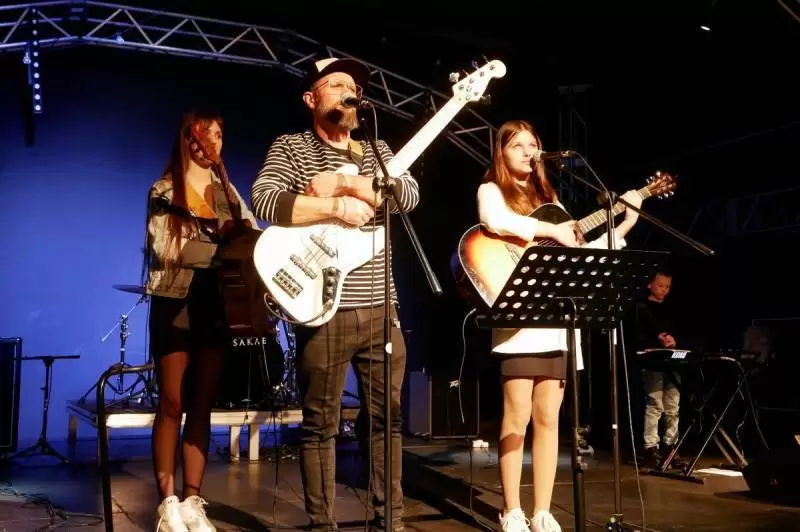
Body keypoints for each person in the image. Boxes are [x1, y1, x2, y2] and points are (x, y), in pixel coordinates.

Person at [250, 57, 420, 532]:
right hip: (324, 306)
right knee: (320, 424)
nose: (350, 91)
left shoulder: (378, 151)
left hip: (381, 305)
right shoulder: (292, 147)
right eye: (337, 83)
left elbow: (408, 196)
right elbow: (265, 200)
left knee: (387, 420)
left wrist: (348, 182)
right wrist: (336, 207)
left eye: (354, 86)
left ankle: (391, 522)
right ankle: (322, 525)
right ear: (311, 98)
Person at [476, 120, 642, 532]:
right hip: (520, 324)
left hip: (555, 323)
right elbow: (493, 220)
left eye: (533, 145)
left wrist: (622, 226)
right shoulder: (491, 190)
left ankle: (542, 511)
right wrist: (551, 230)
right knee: (516, 418)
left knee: (549, 420)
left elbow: (579, 258)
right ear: (502, 152)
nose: (528, 152)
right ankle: (512, 509)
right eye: (518, 146)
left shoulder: (551, 201)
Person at [143, 110, 258, 532]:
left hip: (215, 304)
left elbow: (252, 234)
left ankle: (193, 501)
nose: (215, 142)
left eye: (220, 134)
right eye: (207, 134)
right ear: (189, 141)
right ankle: (167, 503)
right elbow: (164, 248)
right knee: (172, 402)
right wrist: (220, 248)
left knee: (202, 404)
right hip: (175, 302)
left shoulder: (228, 192)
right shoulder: (164, 190)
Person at [631, 271, 684, 469]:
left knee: (673, 407)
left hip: (672, 363)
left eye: (667, 287)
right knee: (655, 405)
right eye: (660, 286)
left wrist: (674, 340)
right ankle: (650, 448)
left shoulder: (671, 309)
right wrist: (657, 339)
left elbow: (679, 331)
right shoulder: (641, 308)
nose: (664, 290)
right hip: (652, 363)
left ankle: (671, 446)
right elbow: (638, 335)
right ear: (650, 285)